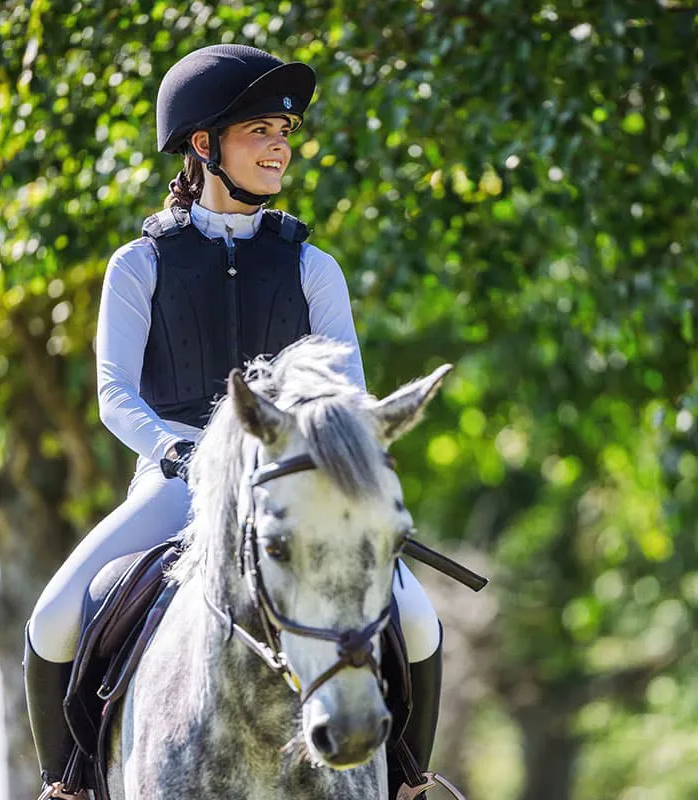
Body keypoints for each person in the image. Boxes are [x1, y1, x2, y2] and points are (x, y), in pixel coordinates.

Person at [23, 44, 442, 800]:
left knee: (416, 619)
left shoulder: (313, 265)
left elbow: (345, 392)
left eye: (285, 130)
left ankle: (407, 780)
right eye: (260, 129)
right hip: (178, 481)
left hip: (289, 481)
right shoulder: (140, 264)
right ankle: (70, 785)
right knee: (53, 618)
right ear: (203, 144)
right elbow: (116, 394)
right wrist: (175, 449)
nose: (281, 143)